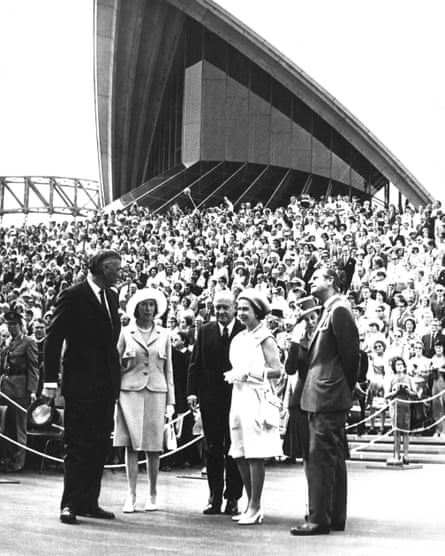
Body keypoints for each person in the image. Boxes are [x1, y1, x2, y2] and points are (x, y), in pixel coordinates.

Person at [43, 250, 122, 525]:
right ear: (101, 268)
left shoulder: (112, 297)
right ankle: (70, 503)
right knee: (77, 444)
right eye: (115, 269)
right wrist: (50, 381)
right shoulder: (73, 295)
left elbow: (110, 341)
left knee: (99, 444)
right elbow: (53, 340)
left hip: (105, 385)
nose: (119, 273)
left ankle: (90, 501)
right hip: (80, 383)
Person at [291, 267, 359, 536]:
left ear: (331, 281)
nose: (310, 281)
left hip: (327, 394)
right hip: (323, 393)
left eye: (316, 277)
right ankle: (334, 515)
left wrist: (341, 388)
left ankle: (320, 518)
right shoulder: (330, 310)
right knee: (331, 456)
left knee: (320, 457)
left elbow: (351, 357)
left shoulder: (339, 310)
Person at [224, 288, 282, 525]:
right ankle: (250, 503)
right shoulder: (239, 338)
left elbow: (277, 370)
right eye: (239, 309)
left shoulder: (265, 337)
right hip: (238, 396)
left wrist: (251, 373)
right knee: (239, 450)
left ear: (257, 312)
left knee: (255, 453)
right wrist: (236, 375)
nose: (240, 313)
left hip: (257, 398)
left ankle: (256, 505)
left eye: (245, 309)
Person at [114, 287, 175, 513]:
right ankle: (130, 494)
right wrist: (114, 395)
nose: (148, 309)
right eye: (144, 305)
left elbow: (168, 371)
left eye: (151, 305)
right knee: (131, 444)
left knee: (153, 445)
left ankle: (152, 493)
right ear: (136, 309)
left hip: (156, 392)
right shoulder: (125, 332)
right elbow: (116, 364)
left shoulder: (165, 334)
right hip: (129, 392)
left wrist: (171, 401)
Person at [187, 291, 244, 516]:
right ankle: (214, 496)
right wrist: (191, 392)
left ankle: (233, 498)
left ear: (234, 308)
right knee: (212, 448)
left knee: (234, 447)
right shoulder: (205, 330)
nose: (220, 312)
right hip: (210, 398)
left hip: (237, 397)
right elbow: (195, 363)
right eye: (217, 307)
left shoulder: (243, 330)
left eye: (225, 308)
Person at [283, 297, 320, 512]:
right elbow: (289, 369)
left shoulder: (325, 337)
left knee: (319, 454)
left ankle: (321, 501)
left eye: (314, 316)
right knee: (307, 455)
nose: (312, 321)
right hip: (302, 398)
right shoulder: (301, 341)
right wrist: (295, 342)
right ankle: (312, 502)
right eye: (308, 318)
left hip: (321, 397)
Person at [0, 310, 38, 472]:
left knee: (19, 426)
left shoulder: (28, 342)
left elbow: (33, 368)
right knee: (4, 426)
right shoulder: (7, 342)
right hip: (5, 386)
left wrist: (32, 391)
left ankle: (19, 462)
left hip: (20, 388)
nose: (11, 328)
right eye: (9, 325)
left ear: (21, 325)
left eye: (14, 324)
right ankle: (6, 458)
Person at [385, 357, 416, 464]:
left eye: (401, 364)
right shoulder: (391, 379)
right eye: (397, 364)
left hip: (406, 406)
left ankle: (406, 455)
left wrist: (408, 391)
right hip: (395, 407)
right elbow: (386, 395)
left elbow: (415, 394)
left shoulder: (409, 378)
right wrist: (394, 392)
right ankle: (397, 455)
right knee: (396, 431)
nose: (400, 366)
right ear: (394, 367)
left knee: (406, 432)